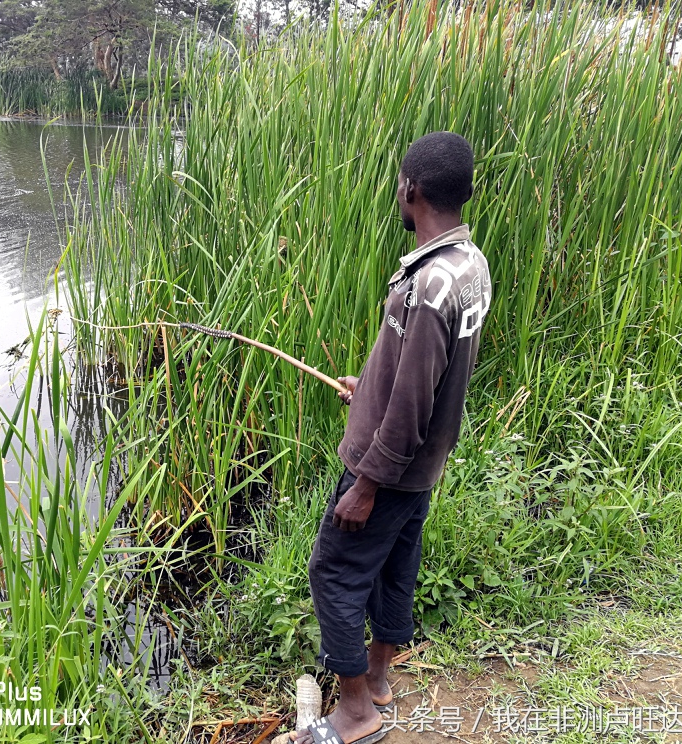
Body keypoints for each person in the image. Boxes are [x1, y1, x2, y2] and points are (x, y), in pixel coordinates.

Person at [290, 131, 492, 744]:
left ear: (412, 189)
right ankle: (377, 678)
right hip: (422, 466)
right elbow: (421, 374)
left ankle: (356, 713)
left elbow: (411, 401)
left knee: (335, 573)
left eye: (400, 185)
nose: (398, 194)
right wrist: (368, 384)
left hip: (389, 468)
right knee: (394, 568)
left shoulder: (428, 286)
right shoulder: (469, 265)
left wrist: (366, 484)